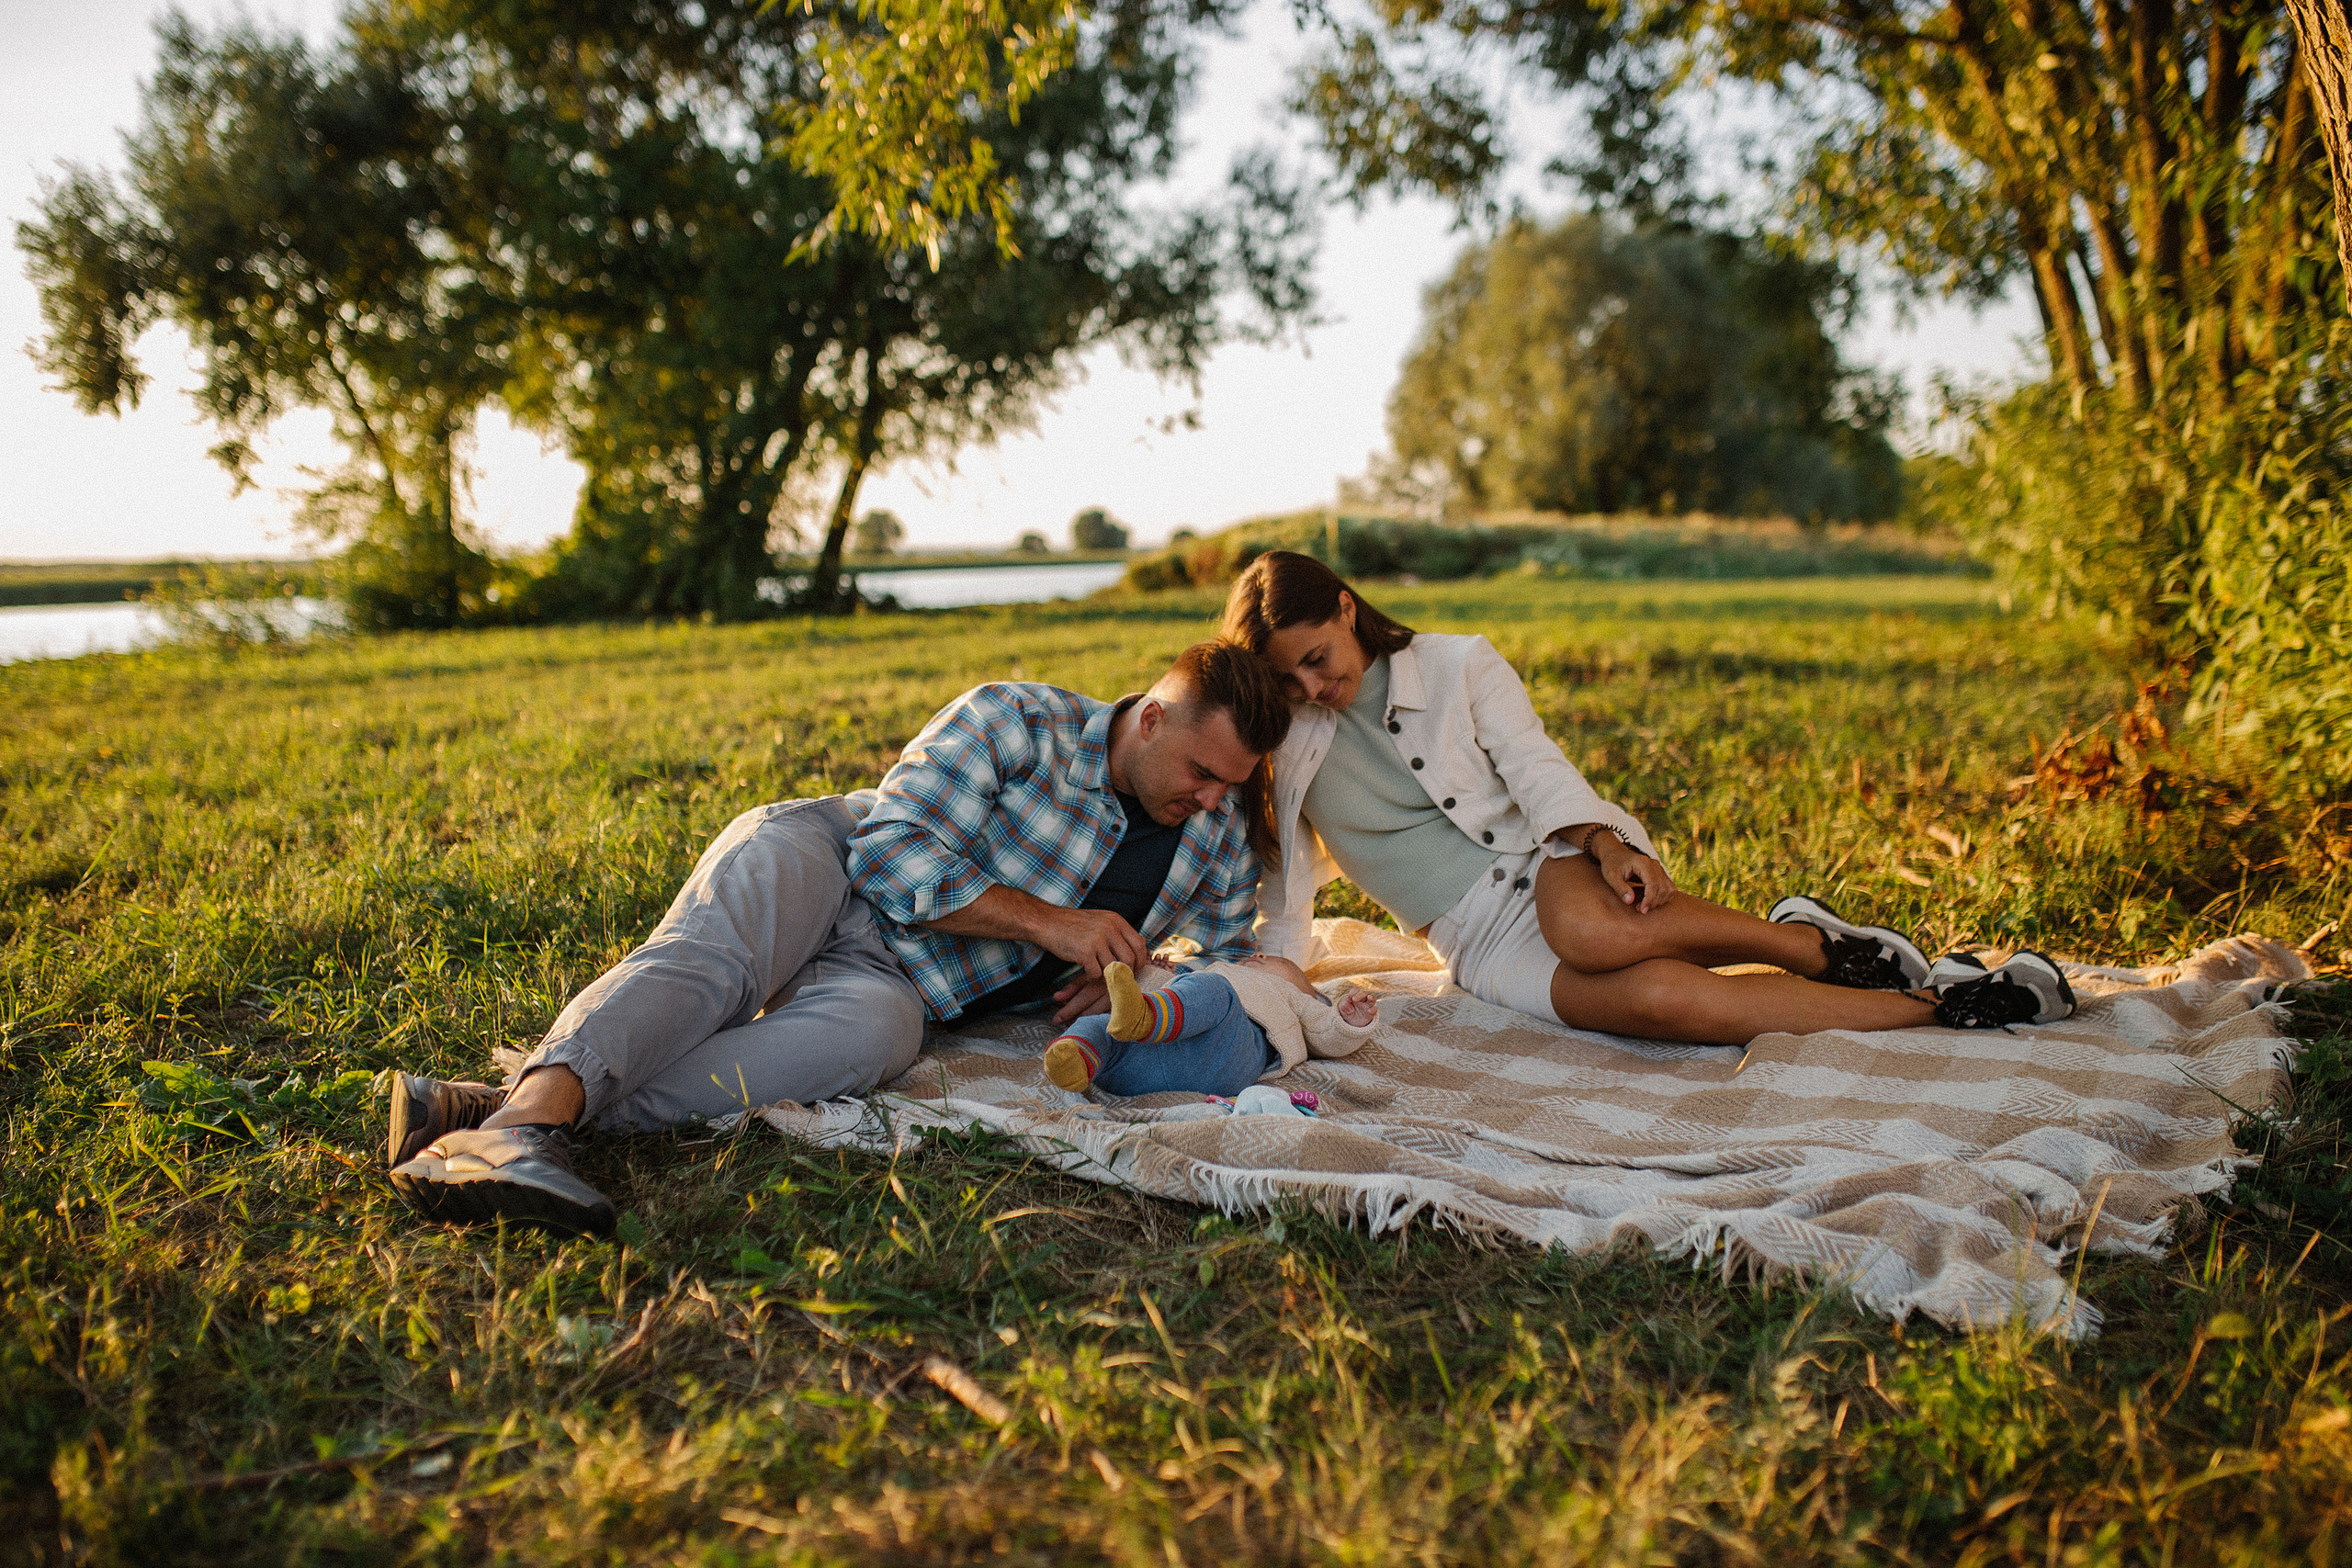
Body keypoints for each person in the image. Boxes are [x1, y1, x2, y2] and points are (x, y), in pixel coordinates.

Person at [386, 639, 1293, 1235]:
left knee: (874, 1041)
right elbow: (892, 852)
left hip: (900, 984)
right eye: (1201, 772)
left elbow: (1220, 956)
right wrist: (1053, 925)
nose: (1211, 799)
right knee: (715, 968)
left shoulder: (1210, 837)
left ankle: (491, 1117)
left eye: (1229, 785)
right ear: (1150, 719)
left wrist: (1144, 981)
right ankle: (523, 1125)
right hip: (828, 864)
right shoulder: (1019, 721)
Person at [1219, 550, 2076, 1045]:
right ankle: (1938, 1005)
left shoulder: (1456, 663)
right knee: (1666, 1004)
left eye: (1318, 658)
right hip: (1473, 943)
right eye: (1285, 676)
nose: (1309, 685)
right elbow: (1284, 876)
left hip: (1550, 861)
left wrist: (1603, 843)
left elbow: (1536, 764)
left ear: (1345, 607)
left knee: (1587, 929)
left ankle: (1804, 945)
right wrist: (1280, 972)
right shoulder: (1288, 742)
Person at [1041, 954, 1377, 1097]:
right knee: (1100, 1026)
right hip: (1145, 1067)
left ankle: (1148, 1016)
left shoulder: (1294, 997)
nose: (1258, 956)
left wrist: (1349, 1020)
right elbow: (1146, 993)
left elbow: (1326, 1034)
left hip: (1228, 1054)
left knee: (1214, 989)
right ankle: (1076, 1060)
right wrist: (1155, 973)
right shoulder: (1198, 974)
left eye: (1273, 960)